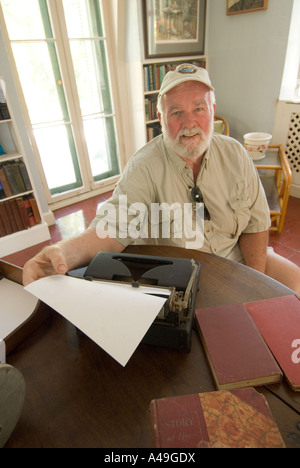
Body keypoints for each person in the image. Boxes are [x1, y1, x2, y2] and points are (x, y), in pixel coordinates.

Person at [23, 64, 300, 294]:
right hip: (183, 279)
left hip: (237, 261)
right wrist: (61, 252)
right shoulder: (144, 167)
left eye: (198, 109)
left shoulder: (236, 155)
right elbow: (109, 230)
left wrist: (252, 282)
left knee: (294, 284)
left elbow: (255, 225)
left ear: (213, 110)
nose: (189, 123)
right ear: (160, 117)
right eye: (176, 112)